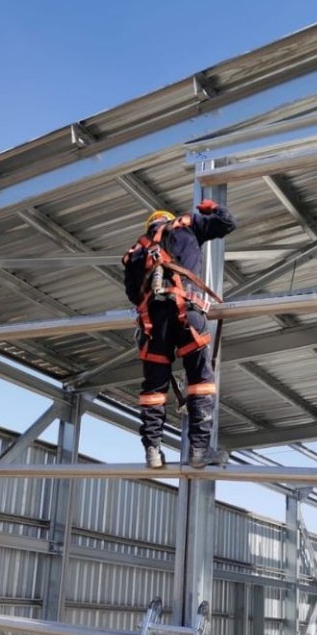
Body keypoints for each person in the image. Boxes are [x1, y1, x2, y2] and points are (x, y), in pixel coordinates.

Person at [121, 200, 237, 469]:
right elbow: (228, 223)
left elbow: (133, 295)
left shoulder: (136, 251)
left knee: (154, 389)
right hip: (187, 313)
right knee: (200, 380)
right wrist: (211, 208)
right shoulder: (185, 226)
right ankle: (199, 452)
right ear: (168, 219)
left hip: (154, 324)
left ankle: (152, 451)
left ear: (149, 226)